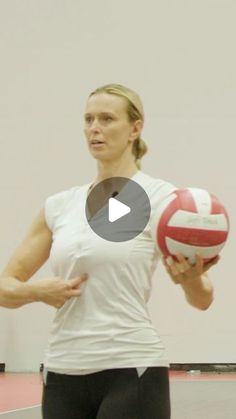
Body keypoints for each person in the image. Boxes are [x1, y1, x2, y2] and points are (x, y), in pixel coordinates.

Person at [0, 83, 219, 419]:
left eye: (106, 119)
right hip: (63, 370)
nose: (94, 129)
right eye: (88, 120)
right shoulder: (60, 206)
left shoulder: (163, 199)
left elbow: (202, 298)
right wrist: (37, 291)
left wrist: (190, 278)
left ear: (135, 128)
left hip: (131, 367)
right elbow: (6, 287)